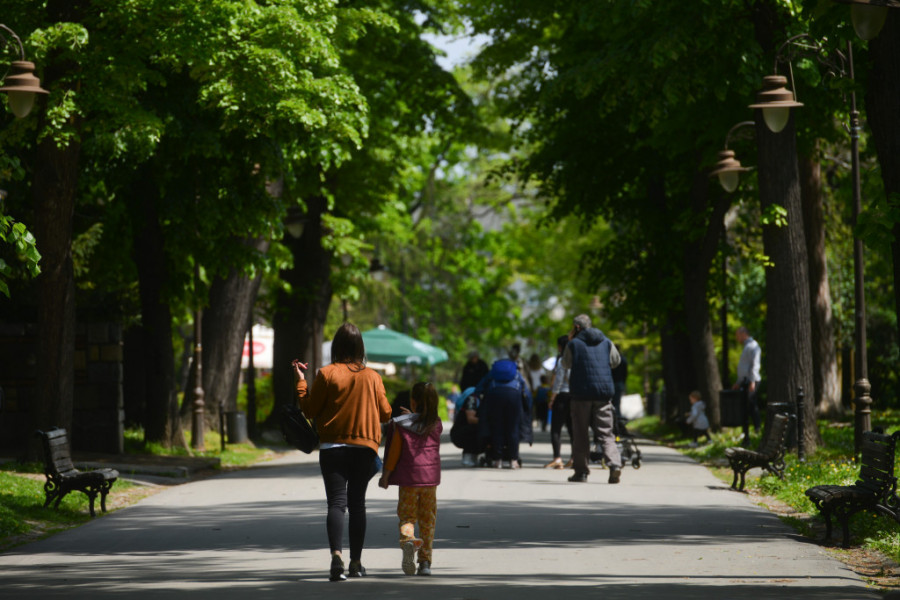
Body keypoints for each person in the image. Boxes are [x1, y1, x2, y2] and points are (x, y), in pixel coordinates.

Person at [294, 322, 393, 582]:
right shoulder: (373, 376)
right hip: (364, 448)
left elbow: (310, 411)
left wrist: (301, 384)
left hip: (332, 448)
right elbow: (386, 413)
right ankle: (356, 563)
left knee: (337, 504)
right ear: (360, 347)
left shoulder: (326, 374)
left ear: (337, 346)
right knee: (357, 504)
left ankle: (336, 555)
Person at [379, 381, 442, 577]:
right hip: (429, 481)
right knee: (428, 520)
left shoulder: (401, 425)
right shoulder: (436, 424)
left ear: (413, 402)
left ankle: (408, 540)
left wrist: (386, 476)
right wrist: (412, 416)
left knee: (407, 517)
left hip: (408, 481)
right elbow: (419, 421)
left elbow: (394, 454)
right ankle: (425, 562)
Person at [561, 314, 623, 484]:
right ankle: (615, 465)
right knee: (606, 433)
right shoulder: (606, 341)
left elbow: (565, 364)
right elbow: (616, 361)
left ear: (577, 328)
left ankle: (581, 473)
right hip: (603, 393)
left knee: (580, 434)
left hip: (581, 395)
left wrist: (570, 342)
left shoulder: (573, 344)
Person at [475, 358, 532, 468]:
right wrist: (528, 407)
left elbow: (479, 388)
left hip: (495, 396)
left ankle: (498, 460)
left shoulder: (492, 373)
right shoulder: (516, 373)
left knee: (497, 428)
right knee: (513, 428)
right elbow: (526, 392)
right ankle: (513, 460)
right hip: (513, 397)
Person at [545, 334, 573, 469]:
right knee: (573, 429)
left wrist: (552, 399)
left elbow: (558, 381)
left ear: (560, 346)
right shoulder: (577, 359)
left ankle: (557, 458)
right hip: (574, 397)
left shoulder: (563, 360)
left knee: (556, 430)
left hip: (562, 396)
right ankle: (574, 458)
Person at [732, 326, 762, 435]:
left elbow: (755, 365)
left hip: (751, 381)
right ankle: (746, 432)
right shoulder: (747, 346)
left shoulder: (754, 346)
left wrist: (752, 381)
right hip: (745, 381)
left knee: (751, 405)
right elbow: (744, 367)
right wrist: (738, 382)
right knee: (745, 406)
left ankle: (757, 428)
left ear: (744, 334)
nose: (737, 338)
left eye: (738, 335)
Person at [450, 386, 483, 466]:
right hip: (460, 434)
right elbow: (470, 419)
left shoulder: (477, 397)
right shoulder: (472, 398)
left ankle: (472, 456)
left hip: (461, 432)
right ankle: (468, 456)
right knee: (479, 428)